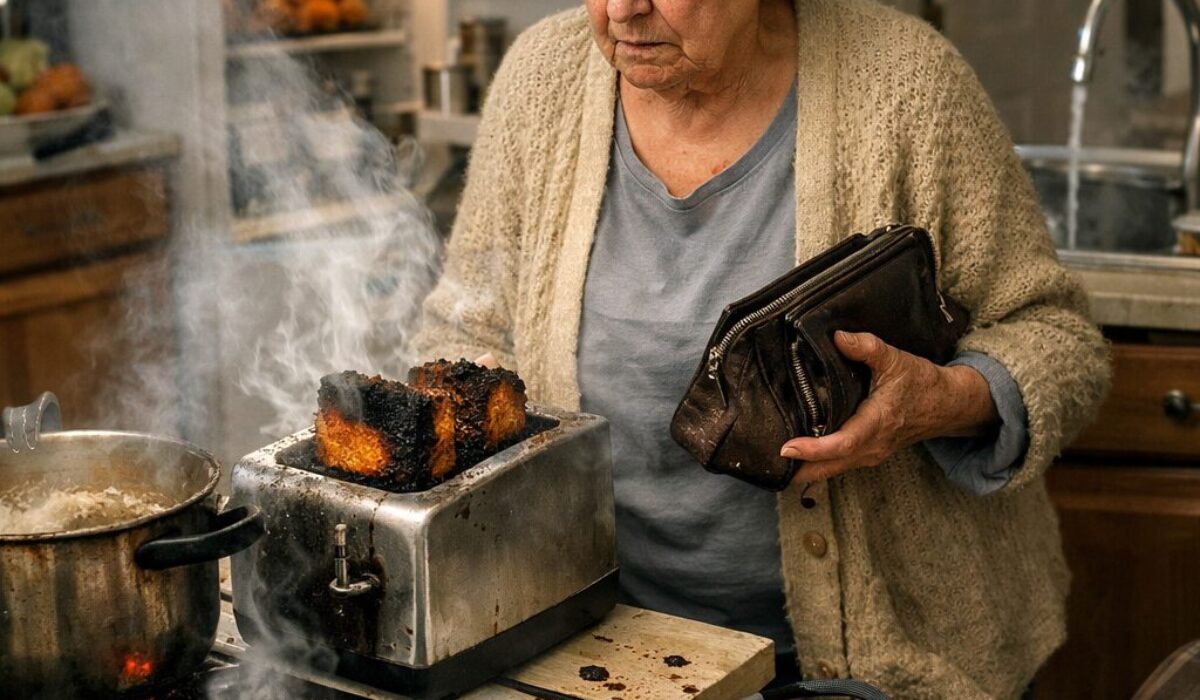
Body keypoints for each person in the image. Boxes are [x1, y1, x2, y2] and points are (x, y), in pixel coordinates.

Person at [413, 0, 1111, 697]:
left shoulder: (907, 84)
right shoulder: (543, 78)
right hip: (600, 655)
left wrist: (938, 403)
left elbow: (1056, 335)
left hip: (873, 665)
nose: (621, 10)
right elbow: (465, 332)